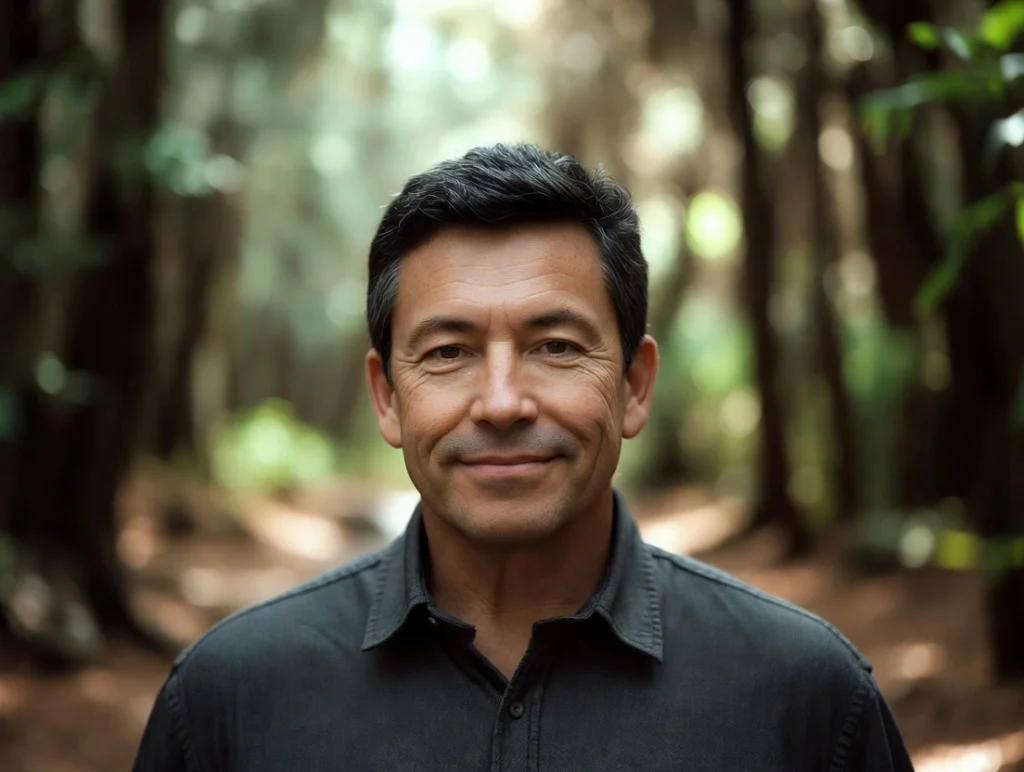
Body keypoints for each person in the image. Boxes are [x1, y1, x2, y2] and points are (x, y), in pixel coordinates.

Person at [132, 143, 915, 771]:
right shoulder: (230, 700)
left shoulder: (805, 699)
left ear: (635, 386)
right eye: (448, 352)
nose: (502, 403)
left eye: (555, 346)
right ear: (387, 398)